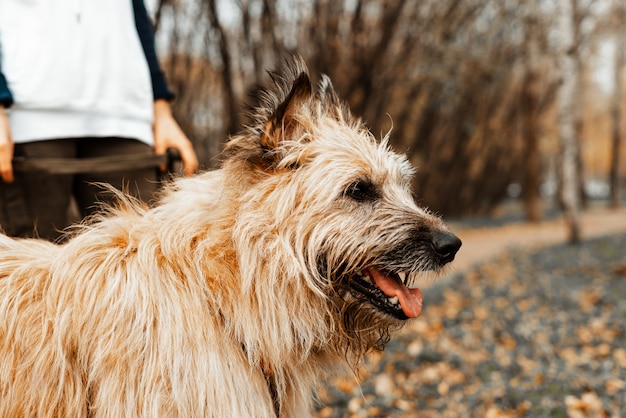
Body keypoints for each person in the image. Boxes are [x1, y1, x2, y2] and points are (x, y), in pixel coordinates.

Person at [0, 0, 199, 241]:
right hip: (26, 119)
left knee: (145, 262)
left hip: (126, 115)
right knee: (23, 272)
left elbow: (135, 8)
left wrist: (161, 108)